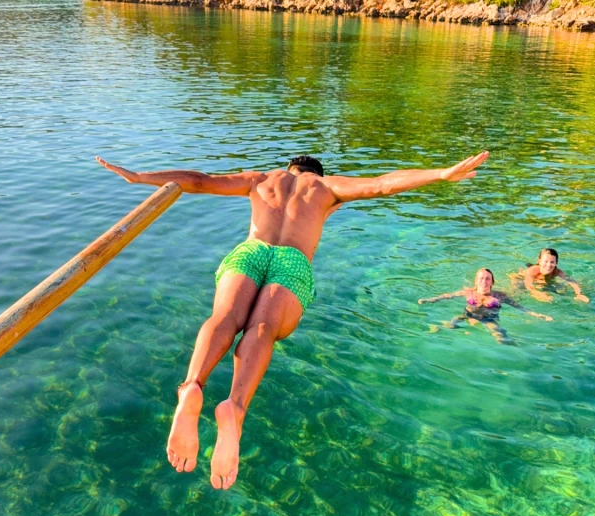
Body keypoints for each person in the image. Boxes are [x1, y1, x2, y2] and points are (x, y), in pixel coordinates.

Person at [96, 150, 489, 490]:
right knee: (263, 329)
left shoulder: (261, 179)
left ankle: (192, 387)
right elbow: (383, 185)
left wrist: (140, 176)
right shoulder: (326, 187)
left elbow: (198, 180)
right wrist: (441, 174)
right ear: (316, 174)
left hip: (251, 252)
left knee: (224, 316)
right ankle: (235, 407)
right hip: (291, 261)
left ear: (289, 169)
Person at [418, 267, 552, 345]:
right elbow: (447, 296)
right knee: (450, 325)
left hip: (489, 319)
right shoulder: (468, 292)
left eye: (487, 278)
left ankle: (519, 349)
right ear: (476, 281)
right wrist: (429, 300)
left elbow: (520, 307)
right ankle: (432, 329)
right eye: (481, 278)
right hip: (467, 315)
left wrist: (539, 315)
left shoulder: (500, 296)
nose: (484, 281)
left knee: (501, 338)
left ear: (492, 282)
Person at [511, 248, 589, 303]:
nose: (548, 265)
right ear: (539, 261)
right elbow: (528, 285)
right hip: (521, 279)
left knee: (562, 290)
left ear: (556, 263)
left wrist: (579, 293)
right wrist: (538, 294)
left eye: (552, 262)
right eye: (545, 261)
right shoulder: (532, 270)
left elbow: (571, 281)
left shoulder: (557, 271)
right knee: (518, 292)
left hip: (543, 280)